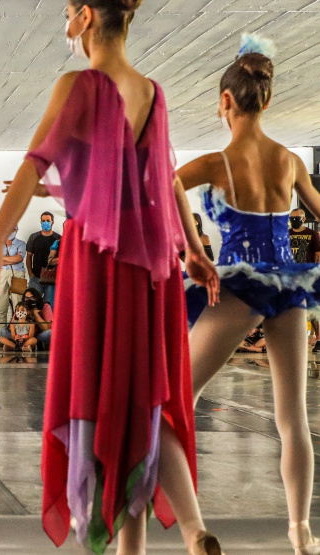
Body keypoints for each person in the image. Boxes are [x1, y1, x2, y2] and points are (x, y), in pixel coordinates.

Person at [0, 1, 223, 552]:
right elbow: (165, 182)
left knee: (101, 397)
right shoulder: (154, 94)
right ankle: (189, 527)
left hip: (99, 263)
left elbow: (34, 164)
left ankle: (107, 533)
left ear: (86, 16)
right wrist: (195, 251)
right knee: (145, 395)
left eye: (66, 11)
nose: (64, 22)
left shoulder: (79, 86)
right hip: (152, 266)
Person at [179, 36, 320, 555]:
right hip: (289, 282)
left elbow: (167, 183)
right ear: (265, 100)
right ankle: (301, 532)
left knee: (180, 399)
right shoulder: (289, 161)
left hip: (240, 281)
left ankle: (188, 521)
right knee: (292, 418)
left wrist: (192, 246)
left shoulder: (218, 162)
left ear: (225, 102)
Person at [25, 211, 61, 308]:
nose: (45, 223)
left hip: (51, 279)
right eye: (43, 221)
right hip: (36, 278)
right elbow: (28, 256)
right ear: (40, 222)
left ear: (52, 222)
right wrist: (31, 274)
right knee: (32, 306)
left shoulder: (58, 239)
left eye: (48, 221)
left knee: (49, 307)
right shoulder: (33, 237)